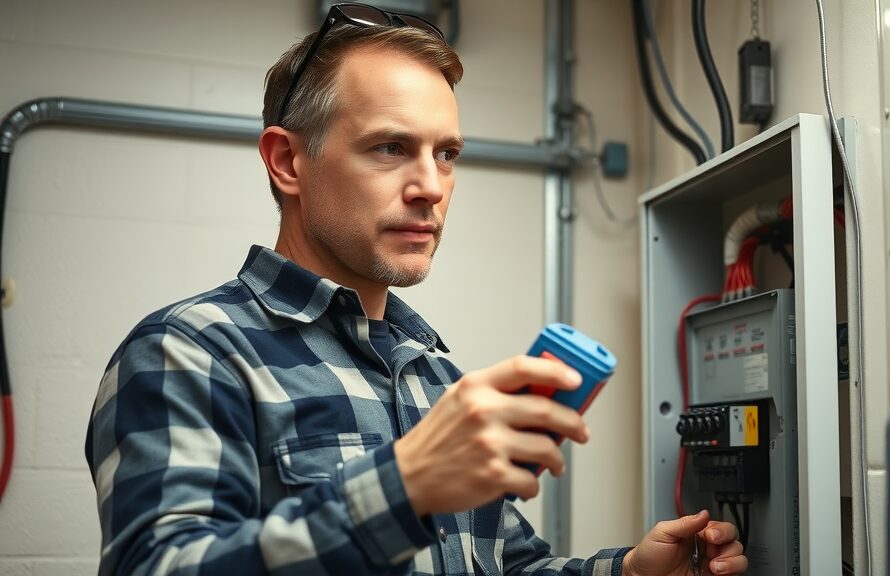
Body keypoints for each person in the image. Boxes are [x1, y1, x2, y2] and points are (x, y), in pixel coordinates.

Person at [85, 4, 748, 575]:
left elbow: (505, 565)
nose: (431, 186)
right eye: (390, 148)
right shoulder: (190, 352)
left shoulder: (433, 376)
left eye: (447, 153)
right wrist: (403, 487)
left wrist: (625, 571)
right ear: (288, 161)